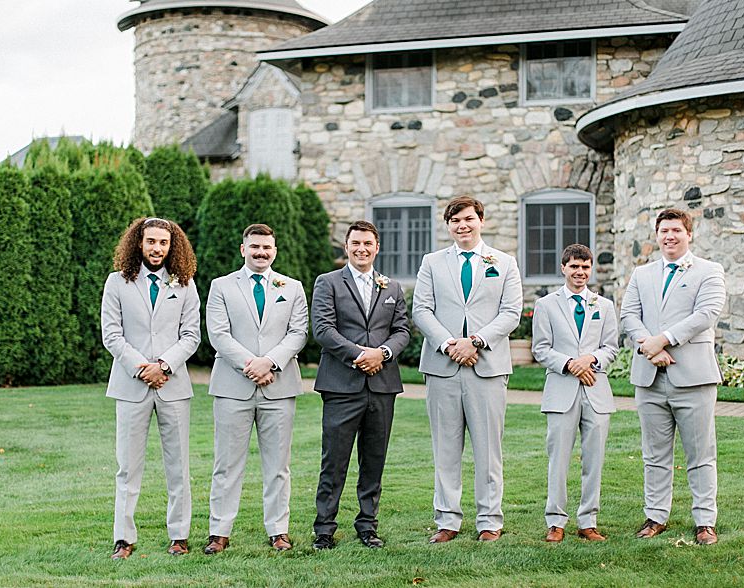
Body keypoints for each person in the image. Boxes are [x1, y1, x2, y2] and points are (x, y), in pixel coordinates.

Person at [413, 196, 522, 543]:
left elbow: (511, 312)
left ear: (481, 221)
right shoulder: (432, 263)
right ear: (448, 226)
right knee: (445, 447)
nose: (463, 225)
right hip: (442, 366)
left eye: (469, 219)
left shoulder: (504, 262)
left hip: (487, 366)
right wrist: (449, 344)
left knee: (489, 449)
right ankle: (447, 520)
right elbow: (422, 310)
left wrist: (474, 341)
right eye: (455, 220)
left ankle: (490, 520)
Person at [619, 208, 727, 546]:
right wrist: (650, 349)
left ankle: (705, 522)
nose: (670, 236)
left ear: (688, 234)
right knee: (654, 454)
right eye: (664, 230)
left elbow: (705, 315)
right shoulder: (642, 273)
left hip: (693, 376)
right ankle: (655, 516)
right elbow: (628, 315)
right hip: (649, 378)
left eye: (676, 230)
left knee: (700, 454)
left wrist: (662, 340)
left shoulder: (709, 271)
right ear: (657, 234)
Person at [203, 224, 309, 554]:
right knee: (226, 463)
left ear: (274, 251)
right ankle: (219, 531)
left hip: (279, 385)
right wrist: (251, 364)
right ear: (243, 249)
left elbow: (299, 332)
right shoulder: (221, 286)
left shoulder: (291, 287)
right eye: (255, 247)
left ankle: (278, 529)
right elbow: (218, 333)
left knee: (278, 465)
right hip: (233, 385)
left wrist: (270, 363)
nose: (261, 252)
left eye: (266, 247)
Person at [100, 217, 200, 559]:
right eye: (151, 241)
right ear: (138, 243)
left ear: (172, 247)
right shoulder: (117, 283)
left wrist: (165, 366)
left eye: (163, 243)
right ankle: (124, 538)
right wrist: (143, 368)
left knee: (178, 466)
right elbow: (112, 335)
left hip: (173, 387)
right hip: (131, 386)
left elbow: (191, 336)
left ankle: (179, 536)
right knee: (127, 467)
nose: (157, 248)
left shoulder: (185, 284)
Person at [311, 221, 411, 550]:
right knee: (334, 460)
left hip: (382, 386)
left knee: (374, 459)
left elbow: (403, 331)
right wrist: (359, 355)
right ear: (346, 246)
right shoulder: (328, 283)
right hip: (341, 385)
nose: (362, 249)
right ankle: (324, 528)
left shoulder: (392, 287)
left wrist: (382, 353)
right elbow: (323, 329)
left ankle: (367, 525)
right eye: (356, 243)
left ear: (377, 247)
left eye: (368, 243)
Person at [531, 244, 619, 543]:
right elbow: (541, 349)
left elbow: (611, 347)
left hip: (596, 390)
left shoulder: (603, 306)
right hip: (561, 391)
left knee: (594, 459)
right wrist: (570, 364)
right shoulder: (546, 305)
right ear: (563, 268)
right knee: (558, 459)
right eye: (574, 267)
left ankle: (588, 521)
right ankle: (555, 521)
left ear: (591, 269)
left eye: (585, 267)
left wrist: (590, 360)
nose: (580, 273)